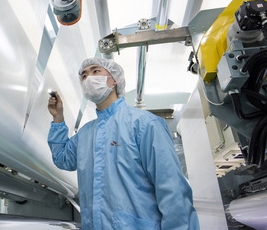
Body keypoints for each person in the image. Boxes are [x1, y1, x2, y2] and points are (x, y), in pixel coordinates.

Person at [47, 57, 199, 230]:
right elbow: (62, 159)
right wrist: (58, 118)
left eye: (95, 71)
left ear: (115, 79)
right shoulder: (85, 134)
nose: (88, 78)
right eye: (83, 76)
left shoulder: (144, 124)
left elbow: (172, 190)